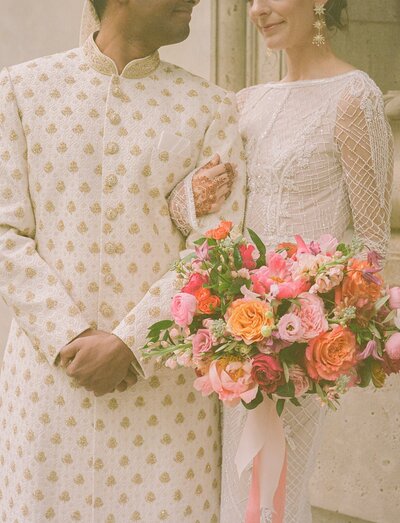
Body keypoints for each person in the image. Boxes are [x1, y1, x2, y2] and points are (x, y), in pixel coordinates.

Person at [0, 0, 246, 521]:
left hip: (164, 399)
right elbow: (6, 232)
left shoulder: (210, 107)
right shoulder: (22, 91)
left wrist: (132, 344)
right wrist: (67, 335)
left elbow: (218, 249)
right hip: (49, 386)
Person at [169, 0, 393, 521]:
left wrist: (327, 321)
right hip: (234, 332)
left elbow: (371, 239)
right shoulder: (246, 102)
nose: (257, 9)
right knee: (235, 482)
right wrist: (191, 197)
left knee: (280, 488)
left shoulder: (354, 96)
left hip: (305, 342)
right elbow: (208, 215)